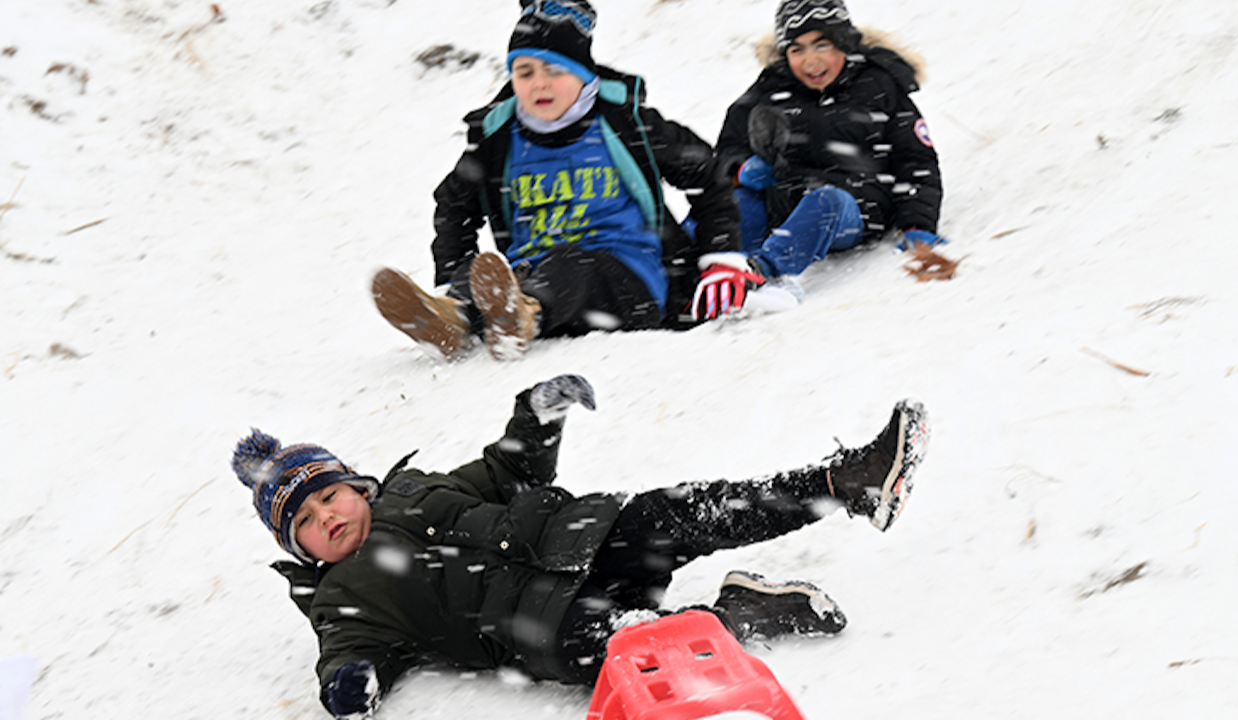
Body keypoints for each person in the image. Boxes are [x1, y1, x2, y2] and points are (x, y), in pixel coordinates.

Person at [232, 374, 930, 717]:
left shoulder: (417, 488)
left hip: (583, 541)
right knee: (635, 645)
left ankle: (849, 481)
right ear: (300, 549)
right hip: (542, 627)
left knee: (681, 511)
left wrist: (535, 417)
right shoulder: (343, 598)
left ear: (356, 484)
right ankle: (740, 613)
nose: (325, 517)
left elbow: (508, 470)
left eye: (327, 495)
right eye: (303, 523)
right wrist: (348, 684)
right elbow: (348, 653)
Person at [372, 0, 758, 362]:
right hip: (530, 275)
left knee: (568, 262)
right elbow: (454, 205)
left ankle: (523, 318)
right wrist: (452, 274)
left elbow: (709, 174)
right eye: (524, 72)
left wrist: (720, 255)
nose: (539, 84)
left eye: (555, 71)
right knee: (480, 277)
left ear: (583, 73)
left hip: (630, 284)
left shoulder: (626, 123)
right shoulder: (499, 138)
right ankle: (451, 318)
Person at [714, 0, 945, 293]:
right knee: (739, 203)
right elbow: (728, 148)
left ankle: (761, 273)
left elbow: (916, 161)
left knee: (825, 201)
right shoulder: (772, 88)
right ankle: (698, 270)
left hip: (857, 206)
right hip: (787, 198)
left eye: (821, 45)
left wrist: (917, 223)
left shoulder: (878, 86)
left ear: (843, 42)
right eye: (797, 49)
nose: (811, 62)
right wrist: (742, 168)